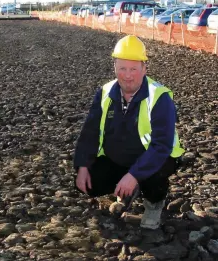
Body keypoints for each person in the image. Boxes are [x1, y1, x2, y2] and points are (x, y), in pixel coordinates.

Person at [74, 35, 184, 230]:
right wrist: (82, 166)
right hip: (118, 159)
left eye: (133, 69)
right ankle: (128, 190)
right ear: (114, 67)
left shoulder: (159, 97)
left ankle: (154, 202)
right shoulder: (105, 92)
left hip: (155, 159)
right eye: (122, 68)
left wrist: (133, 175)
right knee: (89, 182)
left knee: (154, 173)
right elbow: (89, 131)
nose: (127, 75)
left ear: (144, 69)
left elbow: (162, 145)